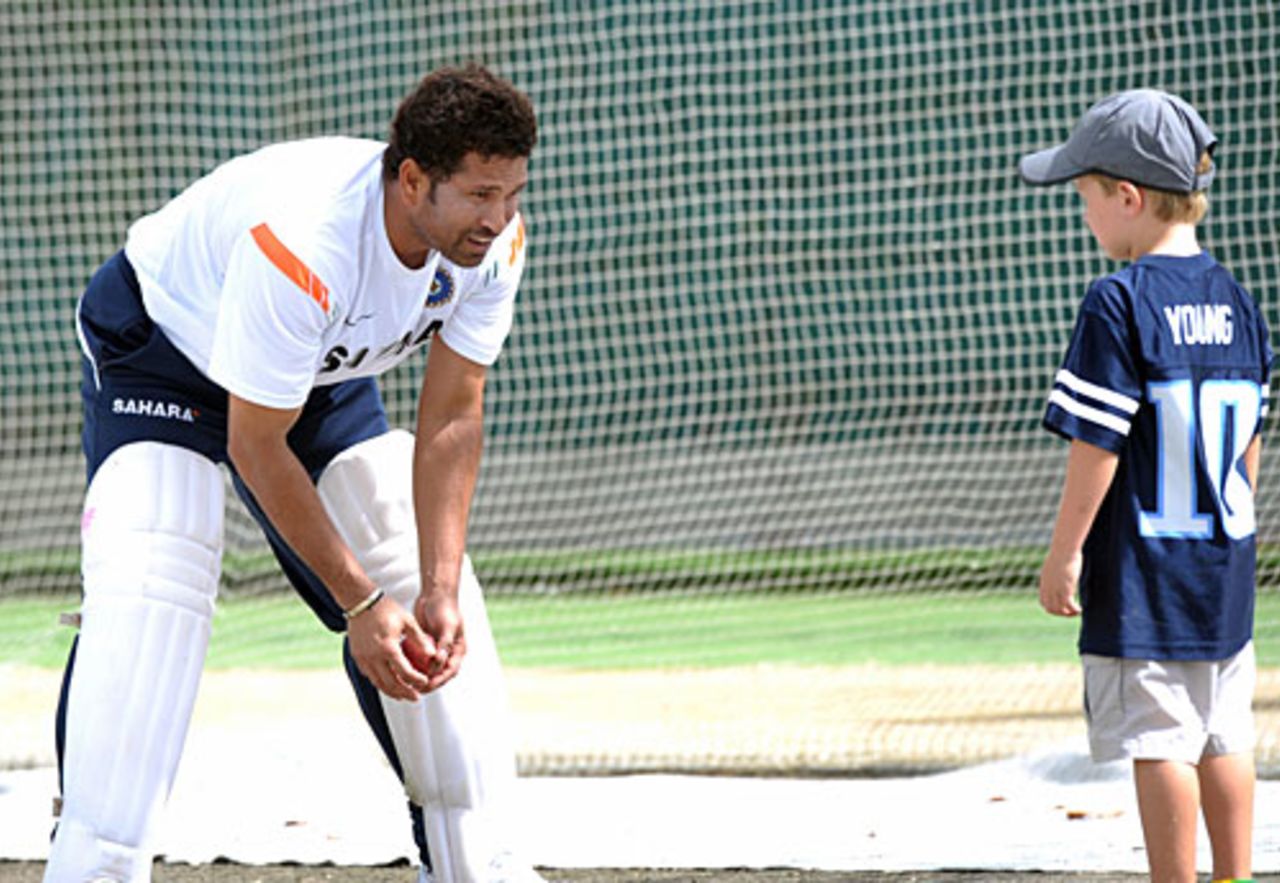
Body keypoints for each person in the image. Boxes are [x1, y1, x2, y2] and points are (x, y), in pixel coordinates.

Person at [45, 64, 541, 883]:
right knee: (153, 560)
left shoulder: (492, 248)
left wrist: (435, 586)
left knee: (402, 555)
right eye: (480, 194)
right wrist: (359, 605)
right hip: (166, 353)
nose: (500, 217)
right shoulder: (304, 245)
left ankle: (475, 861)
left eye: (512, 193)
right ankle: (92, 866)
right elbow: (256, 446)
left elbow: (452, 414)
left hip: (311, 370)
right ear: (412, 179)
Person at [1022, 89, 1270, 883]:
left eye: (1087, 197)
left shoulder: (1118, 302)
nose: (1086, 217)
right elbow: (1252, 440)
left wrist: (1065, 554)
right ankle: (1234, 876)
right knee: (1223, 736)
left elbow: (1096, 445)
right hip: (1222, 566)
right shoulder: (1239, 302)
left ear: (1128, 197)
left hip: (1145, 578)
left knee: (1160, 742)